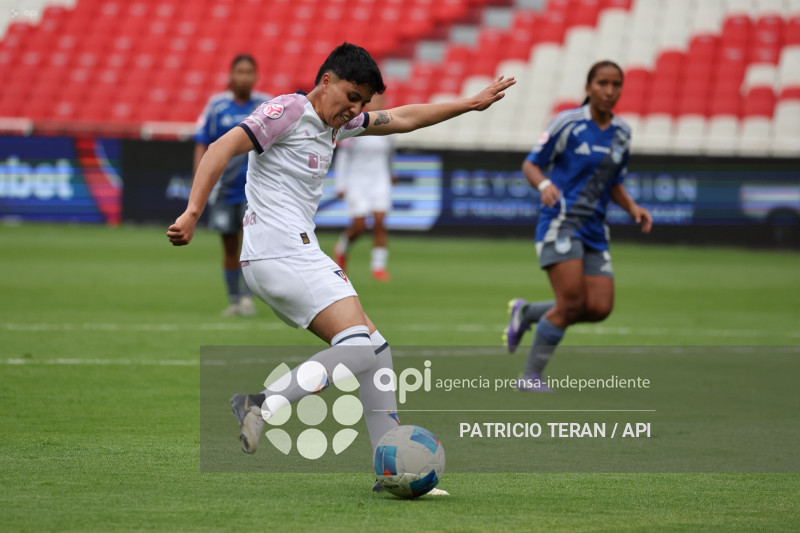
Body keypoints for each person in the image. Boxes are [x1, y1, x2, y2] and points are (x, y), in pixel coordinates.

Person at [167, 43, 515, 492]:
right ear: (326, 80)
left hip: (290, 254)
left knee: (376, 349)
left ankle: (387, 469)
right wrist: (193, 212)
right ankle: (260, 404)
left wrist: (468, 104)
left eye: (363, 103)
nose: (356, 109)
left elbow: (404, 118)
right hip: (281, 251)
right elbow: (220, 146)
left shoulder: (338, 123)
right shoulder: (288, 110)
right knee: (358, 348)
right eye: (351, 96)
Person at [503, 60, 652, 392]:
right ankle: (530, 377)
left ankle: (526, 313)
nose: (609, 91)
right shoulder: (567, 123)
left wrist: (632, 207)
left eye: (615, 85)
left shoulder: (623, 133)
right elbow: (531, 164)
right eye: (602, 83)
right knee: (570, 303)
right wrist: (544, 185)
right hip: (561, 224)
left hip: (595, 231)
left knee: (599, 308)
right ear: (588, 87)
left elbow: (614, 182)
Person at [194, 54, 271, 317]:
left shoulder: (265, 105)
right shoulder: (216, 107)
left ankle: (248, 298)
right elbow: (203, 142)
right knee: (229, 246)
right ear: (231, 75)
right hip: (224, 190)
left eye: (249, 71)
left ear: (255, 76)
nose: (244, 76)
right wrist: (199, 180)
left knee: (253, 246)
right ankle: (235, 299)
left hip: (256, 192)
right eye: (239, 71)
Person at [333, 92, 396, 281]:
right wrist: (341, 184)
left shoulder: (389, 128)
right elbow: (343, 157)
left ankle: (378, 267)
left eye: (381, 100)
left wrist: (392, 173)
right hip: (357, 181)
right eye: (375, 99)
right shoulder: (357, 124)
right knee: (359, 226)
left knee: (379, 221)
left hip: (379, 180)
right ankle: (342, 248)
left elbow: (390, 155)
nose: (379, 103)